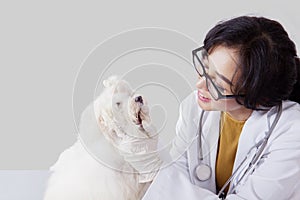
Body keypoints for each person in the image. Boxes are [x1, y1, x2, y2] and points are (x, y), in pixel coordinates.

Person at [121, 16, 300, 200]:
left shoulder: (292, 134)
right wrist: (150, 154)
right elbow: (179, 174)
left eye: (218, 85)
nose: (200, 84)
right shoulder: (195, 108)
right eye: (204, 67)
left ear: (257, 97)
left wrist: (153, 170)